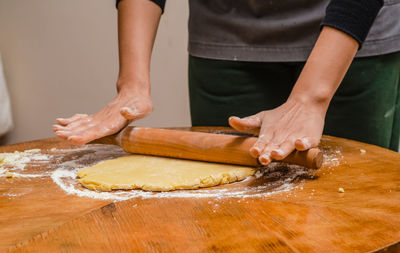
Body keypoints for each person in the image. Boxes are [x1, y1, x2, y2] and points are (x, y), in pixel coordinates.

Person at [53, 0, 400, 165]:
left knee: (344, 210)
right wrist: (131, 85)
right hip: (227, 29)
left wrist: (310, 98)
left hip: (353, 33)